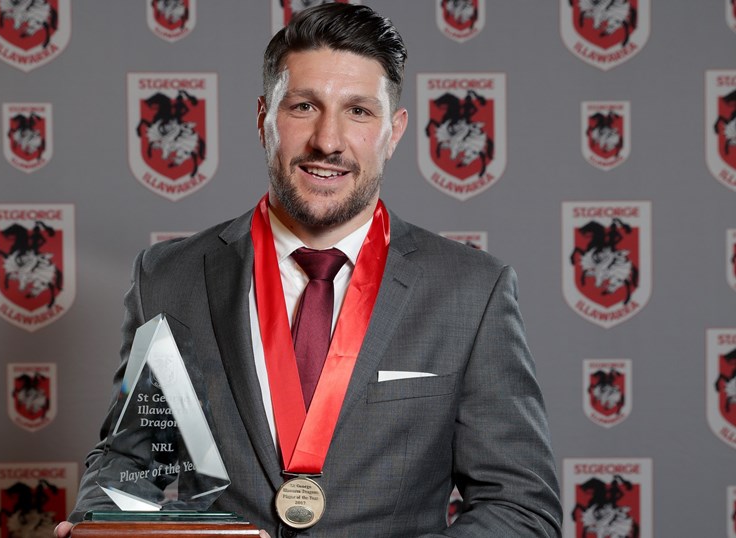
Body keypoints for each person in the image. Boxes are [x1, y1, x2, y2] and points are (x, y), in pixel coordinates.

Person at [55, 4, 561, 537]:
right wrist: (96, 526)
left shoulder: (471, 292)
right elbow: (135, 461)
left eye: (359, 111)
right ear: (263, 119)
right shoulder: (169, 278)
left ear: (394, 132)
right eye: (303, 106)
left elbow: (520, 508)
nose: (328, 140)